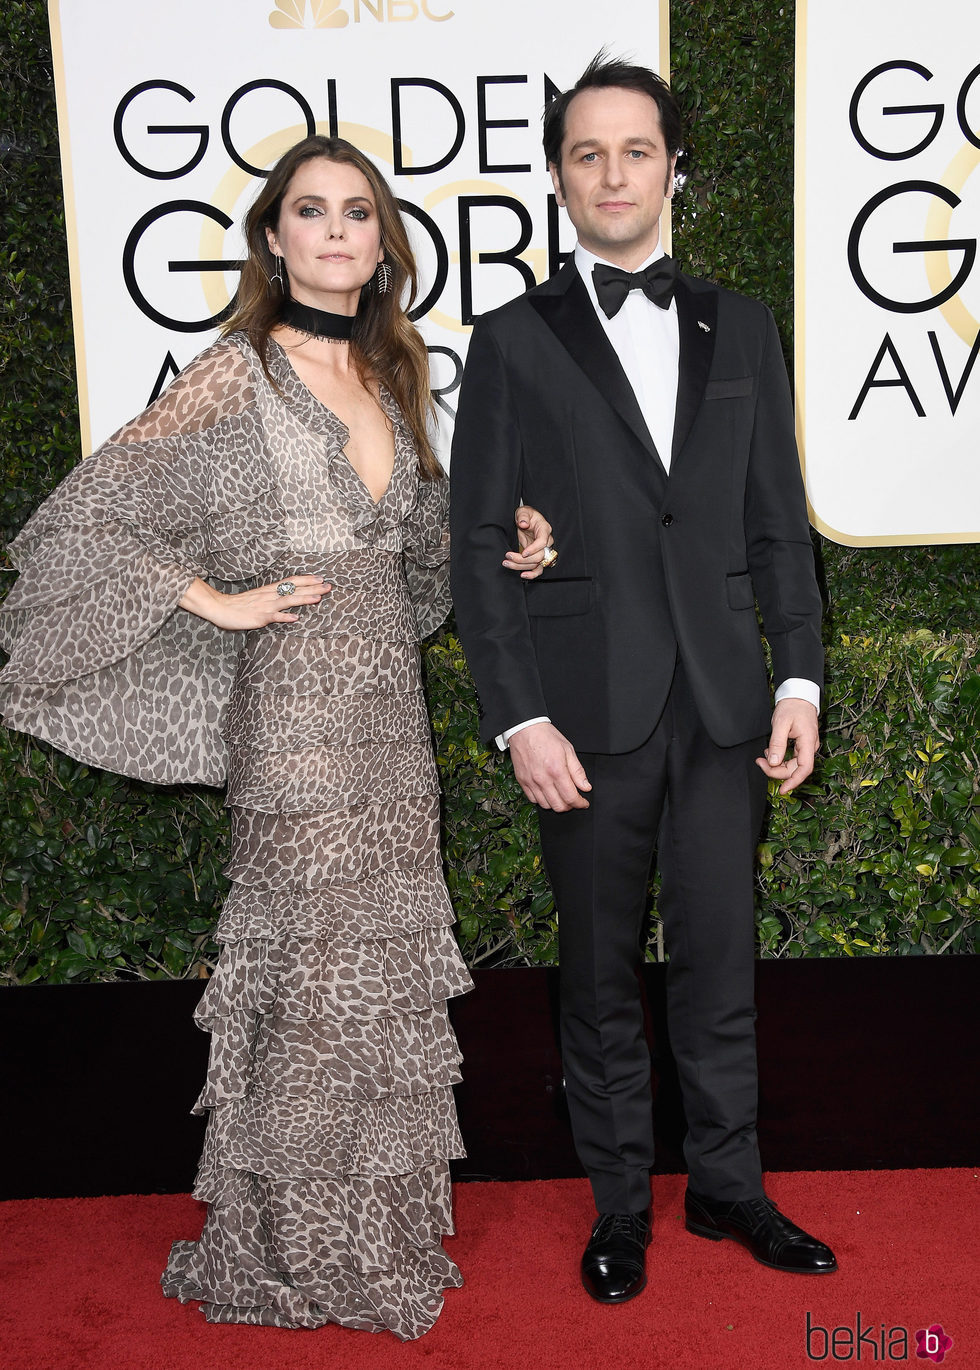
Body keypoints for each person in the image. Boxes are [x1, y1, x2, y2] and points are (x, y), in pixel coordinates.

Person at [0, 135, 552, 1339]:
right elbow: (81, 520)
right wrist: (211, 596)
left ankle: (375, 1238)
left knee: (379, 988)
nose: (337, 231)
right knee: (305, 988)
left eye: (357, 211)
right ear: (273, 237)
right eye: (312, 210)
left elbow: (413, 553)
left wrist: (500, 533)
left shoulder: (395, 371)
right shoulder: (234, 372)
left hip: (388, 729)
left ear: (380, 239)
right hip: (292, 722)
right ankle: (295, 1249)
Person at [449, 56, 837, 1305]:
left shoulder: (745, 322)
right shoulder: (508, 341)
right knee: (599, 969)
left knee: (721, 959)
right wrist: (518, 716)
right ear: (558, 177)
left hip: (727, 703)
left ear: (674, 166)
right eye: (584, 152)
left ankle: (727, 1182)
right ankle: (620, 1205)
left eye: (634, 149)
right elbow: (476, 552)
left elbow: (777, 525)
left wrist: (799, 682)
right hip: (584, 713)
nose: (611, 173)